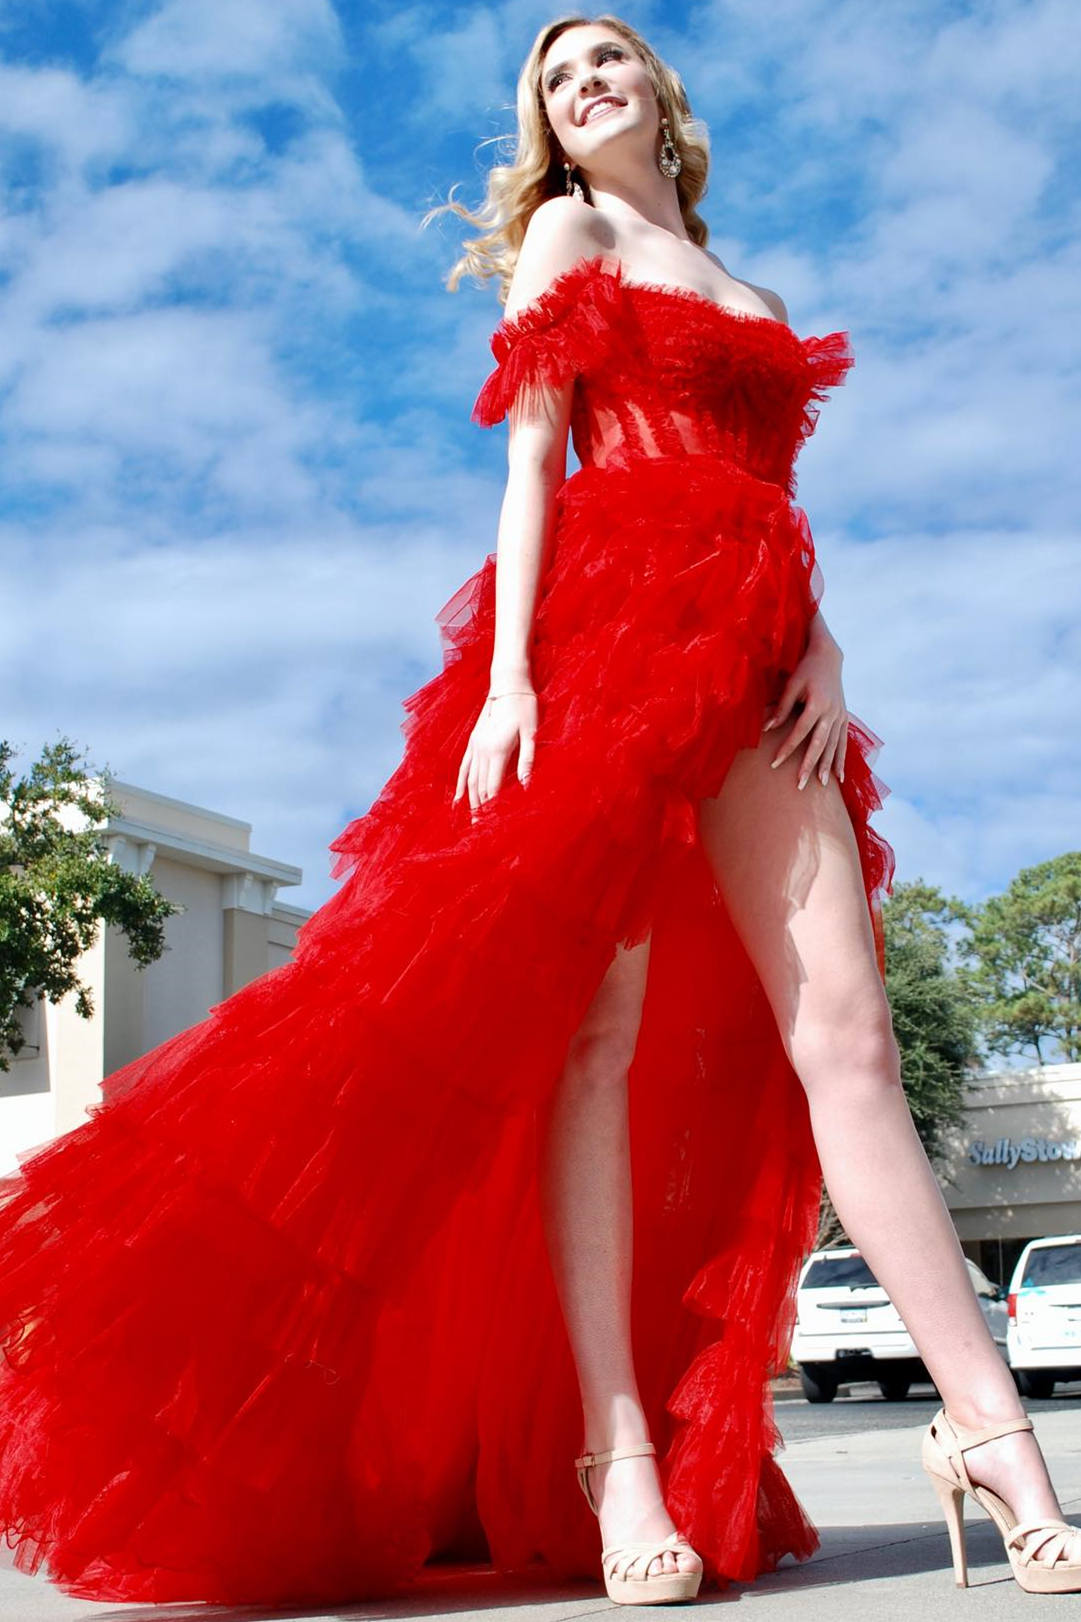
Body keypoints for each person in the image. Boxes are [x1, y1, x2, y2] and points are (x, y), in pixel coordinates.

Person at [0, 10, 1077, 1611]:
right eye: (555, 77)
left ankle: (994, 1438)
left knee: (849, 1041)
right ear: (550, 131)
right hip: (607, 643)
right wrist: (509, 677)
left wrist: (829, 645)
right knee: (596, 1034)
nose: (584, 84)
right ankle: (615, 1455)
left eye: (607, 60)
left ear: (659, 91)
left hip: (769, 661)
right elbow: (533, 463)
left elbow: (774, 499)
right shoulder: (567, 233)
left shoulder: (757, 295)